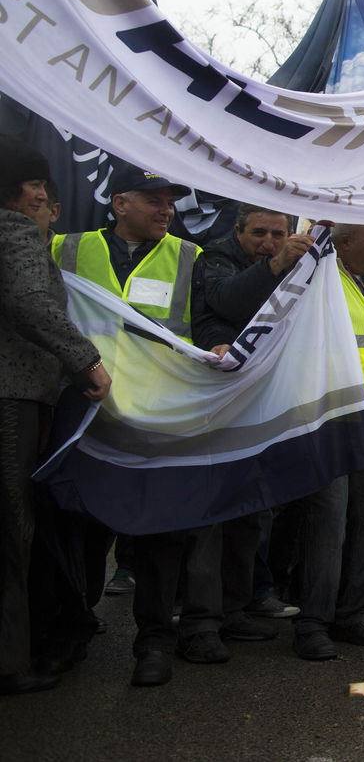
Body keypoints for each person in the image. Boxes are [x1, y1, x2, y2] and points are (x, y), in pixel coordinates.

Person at [51, 164, 212, 687]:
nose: (166, 209)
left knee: (161, 533)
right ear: (120, 204)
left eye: (169, 200)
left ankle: (154, 644)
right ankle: (72, 630)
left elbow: (207, 321)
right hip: (86, 414)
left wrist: (217, 344)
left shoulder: (190, 258)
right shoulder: (66, 249)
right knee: (81, 528)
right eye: (153, 200)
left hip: (156, 417)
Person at [0, 137, 111, 695]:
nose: (44, 193)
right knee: (12, 525)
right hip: (12, 395)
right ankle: (10, 661)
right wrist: (85, 359)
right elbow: (30, 303)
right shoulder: (13, 230)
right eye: (34, 183)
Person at [190, 204, 314, 643]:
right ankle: (200, 618)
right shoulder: (214, 258)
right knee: (213, 515)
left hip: (268, 402)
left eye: (278, 235)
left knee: (251, 512)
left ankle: (236, 606)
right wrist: (277, 265)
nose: (269, 243)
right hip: (220, 406)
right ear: (238, 230)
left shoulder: (301, 263)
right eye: (259, 233)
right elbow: (223, 304)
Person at [288, 224, 364, 660]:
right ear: (344, 243)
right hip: (333, 416)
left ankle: (353, 614)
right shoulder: (319, 276)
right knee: (328, 522)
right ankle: (312, 622)